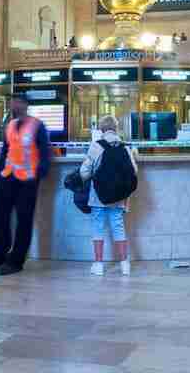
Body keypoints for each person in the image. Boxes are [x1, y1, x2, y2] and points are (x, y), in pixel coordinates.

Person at [0, 94, 51, 276]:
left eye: (18, 101)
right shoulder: (10, 125)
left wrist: (38, 175)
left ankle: (16, 261)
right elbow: (5, 152)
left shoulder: (37, 126)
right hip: (6, 179)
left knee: (23, 222)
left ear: (26, 104)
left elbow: (45, 153)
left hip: (27, 182)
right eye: (12, 101)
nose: (14, 104)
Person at [79, 115, 137, 276]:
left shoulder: (96, 146)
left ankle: (98, 265)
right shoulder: (125, 147)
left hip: (99, 195)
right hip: (118, 196)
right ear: (116, 129)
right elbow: (134, 171)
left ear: (101, 129)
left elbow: (84, 172)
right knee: (118, 226)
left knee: (98, 227)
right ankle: (125, 264)